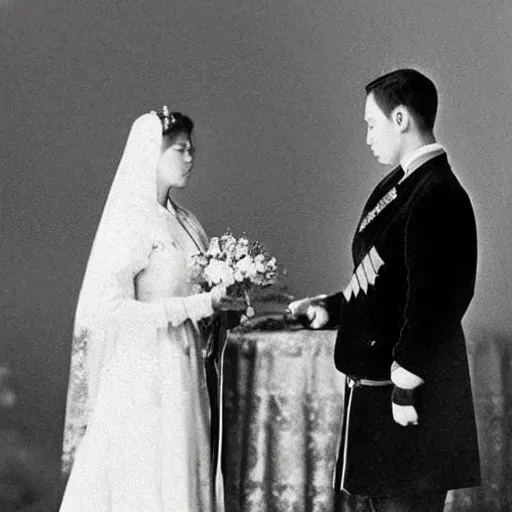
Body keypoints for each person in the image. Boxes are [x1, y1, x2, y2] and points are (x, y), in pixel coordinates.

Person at [288, 69, 480, 512]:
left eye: (371, 124)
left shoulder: (437, 194)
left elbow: (438, 302)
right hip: (381, 406)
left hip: (412, 408)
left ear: (400, 119)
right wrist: (331, 309)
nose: (368, 136)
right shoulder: (401, 186)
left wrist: (405, 383)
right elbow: (385, 278)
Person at [59, 108, 245, 511]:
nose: (191, 156)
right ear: (151, 153)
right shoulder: (130, 220)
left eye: (192, 148)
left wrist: (222, 306)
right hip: (144, 372)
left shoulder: (186, 221)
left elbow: (198, 289)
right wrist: (197, 304)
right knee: (147, 477)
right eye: (180, 149)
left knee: (184, 470)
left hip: (185, 367)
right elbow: (111, 310)